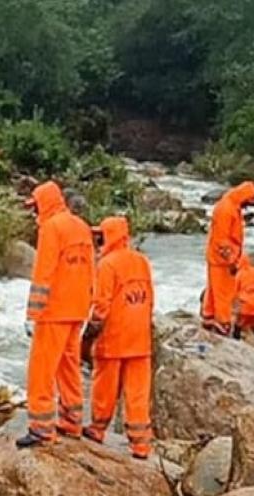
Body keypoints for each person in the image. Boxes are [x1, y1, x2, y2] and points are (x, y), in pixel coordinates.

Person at [18, 181, 96, 448]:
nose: (33, 213)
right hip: (77, 310)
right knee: (69, 367)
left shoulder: (51, 228)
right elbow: (89, 270)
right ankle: (72, 422)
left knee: (41, 371)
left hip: (54, 311)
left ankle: (41, 429)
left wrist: (32, 313)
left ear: (44, 203)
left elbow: (44, 272)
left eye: (34, 206)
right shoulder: (81, 226)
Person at [83, 217, 155, 460]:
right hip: (140, 339)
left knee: (105, 387)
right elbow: (149, 298)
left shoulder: (107, 265)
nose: (98, 240)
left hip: (113, 337)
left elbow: (101, 304)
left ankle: (97, 429)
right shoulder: (142, 262)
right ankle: (141, 444)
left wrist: (90, 333)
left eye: (101, 235)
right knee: (137, 393)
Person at [202, 181, 254, 333]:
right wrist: (231, 261)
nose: (247, 207)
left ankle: (209, 317)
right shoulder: (227, 209)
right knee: (224, 292)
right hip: (222, 260)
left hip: (217, 257)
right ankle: (222, 322)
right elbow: (222, 240)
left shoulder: (231, 206)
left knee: (214, 289)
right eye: (248, 203)